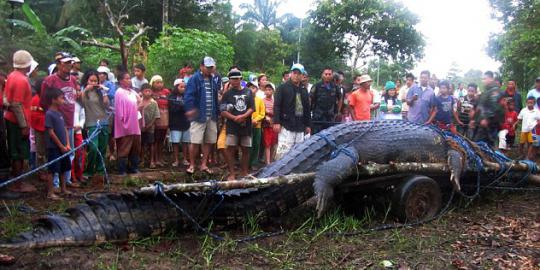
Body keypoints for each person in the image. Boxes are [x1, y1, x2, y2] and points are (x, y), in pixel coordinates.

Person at [41, 51, 80, 188]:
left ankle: (66, 181)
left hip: (69, 120)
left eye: (71, 62)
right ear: (58, 64)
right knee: (56, 152)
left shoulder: (73, 80)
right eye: (66, 63)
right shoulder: (50, 80)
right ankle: (55, 184)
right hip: (55, 120)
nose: (69, 65)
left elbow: (75, 98)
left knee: (69, 152)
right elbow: (43, 100)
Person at [3, 50, 37, 193]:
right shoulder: (21, 80)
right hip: (17, 121)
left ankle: (17, 180)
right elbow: (16, 105)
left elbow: (6, 99)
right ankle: (18, 183)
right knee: (19, 152)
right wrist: (24, 125)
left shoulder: (11, 75)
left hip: (12, 119)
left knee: (16, 150)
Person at [184, 57, 220, 174]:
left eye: (211, 67)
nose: (210, 69)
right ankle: (192, 165)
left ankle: (204, 164)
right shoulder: (194, 79)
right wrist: (190, 109)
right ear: (201, 66)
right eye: (208, 67)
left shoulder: (213, 79)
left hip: (212, 114)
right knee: (195, 141)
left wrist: (217, 112)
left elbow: (215, 97)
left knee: (209, 141)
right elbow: (188, 96)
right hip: (199, 115)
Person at [220, 69, 254, 180]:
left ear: (241, 79)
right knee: (230, 149)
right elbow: (223, 110)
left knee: (246, 149)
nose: (235, 81)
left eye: (237, 79)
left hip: (246, 125)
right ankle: (232, 173)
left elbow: (252, 108)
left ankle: (244, 172)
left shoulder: (248, 92)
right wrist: (234, 118)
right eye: (232, 79)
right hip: (232, 126)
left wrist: (243, 116)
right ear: (229, 80)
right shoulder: (227, 94)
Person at [273, 63, 311, 160]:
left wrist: (308, 125)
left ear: (302, 75)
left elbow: (307, 108)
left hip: (300, 125)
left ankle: (294, 173)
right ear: (291, 73)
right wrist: (276, 122)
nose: (296, 75)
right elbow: (277, 105)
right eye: (294, 73)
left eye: (299, 73)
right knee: (283, 153)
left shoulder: (304, 90)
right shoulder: (282, 88)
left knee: (298, 153)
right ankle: (279, 173)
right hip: (286, 125)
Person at [81, 70, 109, 188]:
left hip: (103, 121)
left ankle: (100, 171)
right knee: (93, 147)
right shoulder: (84, 92)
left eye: (95, 81)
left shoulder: (100, 92)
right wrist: (87, 88)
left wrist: (103, 91)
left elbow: (106, 104)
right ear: (87, 80)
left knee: (102, 148)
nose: (93, 83)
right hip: (91, 122)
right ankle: (88, 171)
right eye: (91, 80)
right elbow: (80, 101)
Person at [45, 87, 72, 200]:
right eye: (61, 98)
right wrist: (60, 146)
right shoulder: (49, 114)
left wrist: (67, 144)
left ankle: (63, 189)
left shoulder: (59, 113)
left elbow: (65, 129)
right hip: (54, 147)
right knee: (52, 169)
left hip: (64, 147)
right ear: (53, 100)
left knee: (63, 168)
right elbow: (51, 132)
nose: (63, 100)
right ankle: (50, 192)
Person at [114, 71, 142, 175]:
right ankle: (122, 169)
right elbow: (119, 110)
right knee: (125, 146)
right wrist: (124, 122)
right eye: (126, 78)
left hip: (135, 123)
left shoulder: (132, 91)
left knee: (136, 146)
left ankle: (134, 167)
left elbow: (139, 102)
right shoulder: (119, 92)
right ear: (121, 81)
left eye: (130, 78)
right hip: (125, 124)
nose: (129, 80)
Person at [471, 71, 504, 146]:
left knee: (485, 146)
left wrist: (487, 119)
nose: (483, 81)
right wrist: (474, 119)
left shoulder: (494, 90)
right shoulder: (487, 91)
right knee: (477, 144)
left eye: (485, 79)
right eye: (482, 79)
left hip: (490, 125)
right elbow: (481, 107)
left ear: (491, 79)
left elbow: (494, 106)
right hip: (481, 124)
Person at [310, 67, 342, 133]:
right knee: (316, 138)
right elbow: (310, 99)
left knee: (329, 138)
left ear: (332, 75)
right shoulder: (317, 86)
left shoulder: (335, 87)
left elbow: (340, 99)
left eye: (329, 74)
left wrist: (338, 112)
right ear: (322, 75)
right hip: (318, 118)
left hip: (330, 118)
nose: (327, 76)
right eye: (326, 74)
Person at [168, 79, 191, 167]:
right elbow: (172, 109)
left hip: (185, 122)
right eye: (181, 87)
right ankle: (176, 160)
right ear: (176, 87)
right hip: (175, 123)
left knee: (185, 142)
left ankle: (185, 159)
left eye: (184, 87)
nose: (183, 89)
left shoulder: (188, 96)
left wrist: (182, 106)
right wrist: (181, 106)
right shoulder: (171, 97)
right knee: (175, 142)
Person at [150, 75, 170, 167]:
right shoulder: (150, 93)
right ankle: (153, 160)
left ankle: (160, 159)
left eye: (161, 82)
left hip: (165, 118)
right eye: (157, 82)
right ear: (152, 83)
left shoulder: (166, 92)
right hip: (155, 119)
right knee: (155, 140)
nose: (159, 84)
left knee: (161, 140)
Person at [139, 84, 160, 169]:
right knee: (142, 144)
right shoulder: (139, 101)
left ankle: (152, 161)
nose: (148, 93)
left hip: (150, 127)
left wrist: (150, 124)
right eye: (146, 91)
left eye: (149, 91)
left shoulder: (154, 102)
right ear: (142, 92)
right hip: (140, 127)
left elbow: (156, 116)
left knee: (151, 143)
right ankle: (142, 160)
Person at [248, 82, 265, 169]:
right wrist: (250, 120)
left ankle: (254, 162)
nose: (252, 89)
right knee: (247, 144)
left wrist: (256, 120)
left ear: (257, 89)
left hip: (257, 125)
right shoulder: (246, 99)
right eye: (250, 87)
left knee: (256, 144)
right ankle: (247, 162)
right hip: (248, 125)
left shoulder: (259, 100)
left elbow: (262, 113)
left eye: (254, 88)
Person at [71, 96, 85, 185]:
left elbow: (82, 117)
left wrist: (80, 125)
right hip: (68, 131)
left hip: (78, 131)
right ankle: (72, 177)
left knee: (80, 153)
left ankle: (79, 174)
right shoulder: (65, 104)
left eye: (79, 90)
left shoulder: (80, 104)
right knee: (71, 155)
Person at [262, 83, 278, 164]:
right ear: (264, 91)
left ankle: (271, 161)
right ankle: (267, 162)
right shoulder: (262, 101)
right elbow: (262, 111)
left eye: (270, 90)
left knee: (273, 143)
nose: (268, 91)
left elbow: (277, 111)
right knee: (267, 144)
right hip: (266, 125)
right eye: (266, 90)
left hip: (274, 124)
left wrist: (270, 112)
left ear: (273, 91)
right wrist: (266, 113)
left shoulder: (275, 101)